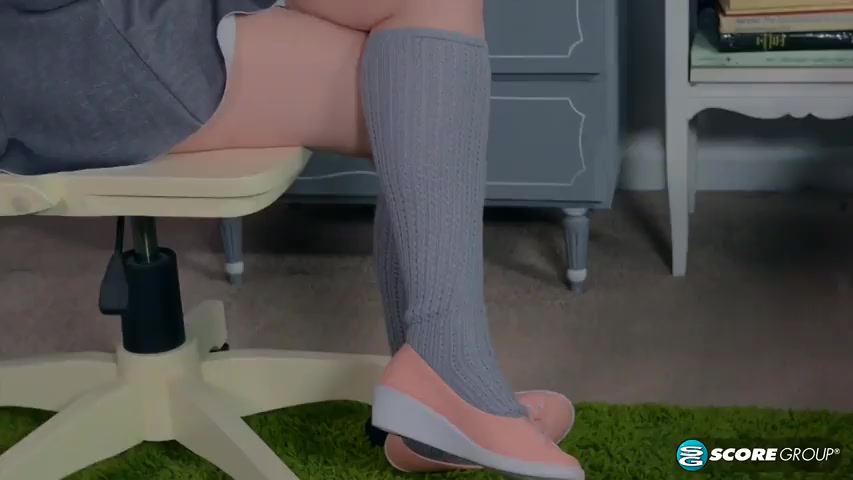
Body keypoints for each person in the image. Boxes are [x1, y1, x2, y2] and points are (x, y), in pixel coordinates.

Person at [0, 1, 584, 478]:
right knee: (421, 77)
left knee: (424, 58)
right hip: (62, 45)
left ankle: (440, 390)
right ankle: (444, 380)